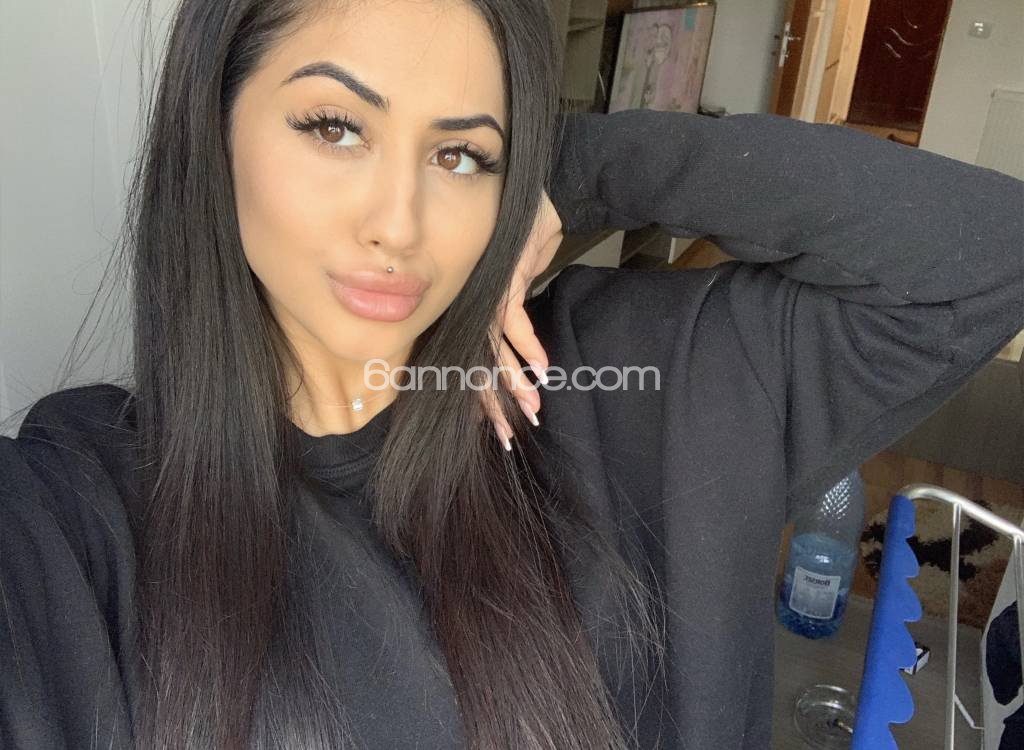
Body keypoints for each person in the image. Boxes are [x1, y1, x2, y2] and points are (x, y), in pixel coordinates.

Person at [1, 1, 1021, 749]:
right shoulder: (78, 508)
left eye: (459, 157)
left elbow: (986, 254)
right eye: (335, 127)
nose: (398, 224)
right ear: (212, 134)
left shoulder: (624, 380)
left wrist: (570, 171)